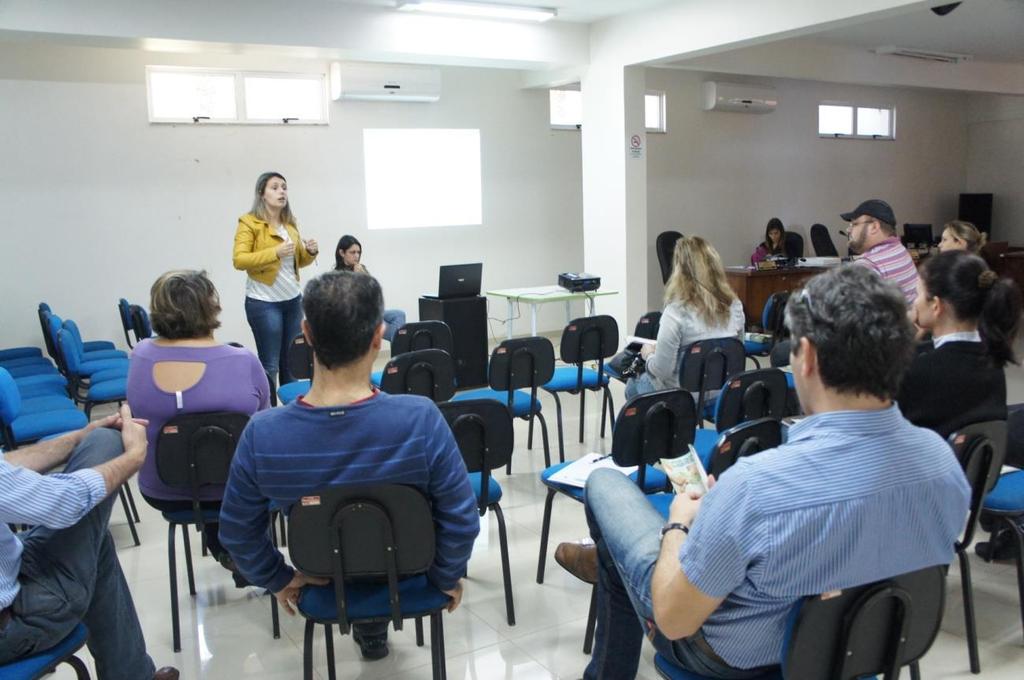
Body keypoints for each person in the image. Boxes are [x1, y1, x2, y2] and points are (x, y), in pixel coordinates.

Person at [558, 266, 969, 679]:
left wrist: (679, 527)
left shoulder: (755, 486)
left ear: (806, 357)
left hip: (727, 658)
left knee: (604, 484)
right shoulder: (944, 465)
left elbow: (674, 620)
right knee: (619, 551)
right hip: (871, 649)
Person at [219, 270, 479, 661]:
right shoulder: (420, 419)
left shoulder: (263, 434)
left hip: (324, 584)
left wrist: (279, 578)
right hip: (410, 577)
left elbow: (238, 532)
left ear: (306, 333)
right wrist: (443, 577)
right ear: (379, 336)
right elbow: (462, 519)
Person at [0, 406, 178, 679]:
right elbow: (65, 503)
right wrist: (134, 455)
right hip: (17, 622)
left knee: (95, 539)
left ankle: (132, 675)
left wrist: (79, 437)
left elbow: (5, 467)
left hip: (12, 570)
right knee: (106, 446)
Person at [127, 270, 270, 581]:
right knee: (233, 460)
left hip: (165, 489)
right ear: (211, 307)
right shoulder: (242, 361)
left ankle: (223, 546)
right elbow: (263, 424)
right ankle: (243, 551)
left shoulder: (140, 356)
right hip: (236, 490)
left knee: (203, 458)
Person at [897, 251, 1020, 438]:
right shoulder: (993, 359)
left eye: (918, 294)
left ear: (936, 305)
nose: (914, 302)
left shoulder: (916, 371)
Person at [626, 236, 744, 399]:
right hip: (722, 394)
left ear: (679, 270)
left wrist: (648, 355)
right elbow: (736, 352)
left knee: (633, 385)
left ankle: (663, 423)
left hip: (682, 398)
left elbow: (662, 370)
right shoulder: (735, 305)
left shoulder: (676, 312)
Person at [233, 171, 319, 388]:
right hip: (263, 303)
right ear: (262, 193)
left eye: (284, 187)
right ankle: (268, 414)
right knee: (270, 365)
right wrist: (275, 252)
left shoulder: (289, 224)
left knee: (292, 365)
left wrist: (310, 252)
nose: (281, 191)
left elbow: (297, 262)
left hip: (293, 302)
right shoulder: (249, 223)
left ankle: (290, 415)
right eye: (275, 187)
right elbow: (239, 260)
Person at [841, 199, 919, 304]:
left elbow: (853, 315)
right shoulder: (900, 250)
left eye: (854, 224)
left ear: (874, 227)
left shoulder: (868, 265)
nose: (848, 230)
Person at [334, 234, 407, 341]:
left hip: (369, 312)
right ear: (342, 253)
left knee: (399, 315)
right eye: (352, 252)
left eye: (358, 252)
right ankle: (400, 347)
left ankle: (399, 347)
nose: (357, 256)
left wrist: (364, 276)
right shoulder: (335, 275)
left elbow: (373, 294)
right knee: (396, 334)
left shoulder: (360, 268)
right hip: (354, 316)